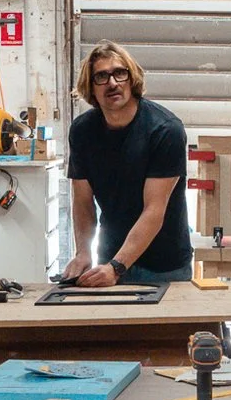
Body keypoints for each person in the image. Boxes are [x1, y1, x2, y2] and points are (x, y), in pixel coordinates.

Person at [61, 41, 193, 286]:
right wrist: (83, 253)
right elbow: (82, 202)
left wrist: (118, 267)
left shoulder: (165, 130)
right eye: (101, 76)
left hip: (164, 267)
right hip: (109, 260)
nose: (112, 83)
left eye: (120, 73)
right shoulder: (82, 131)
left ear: (132, 79)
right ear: (90, 87)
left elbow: (153, 211)